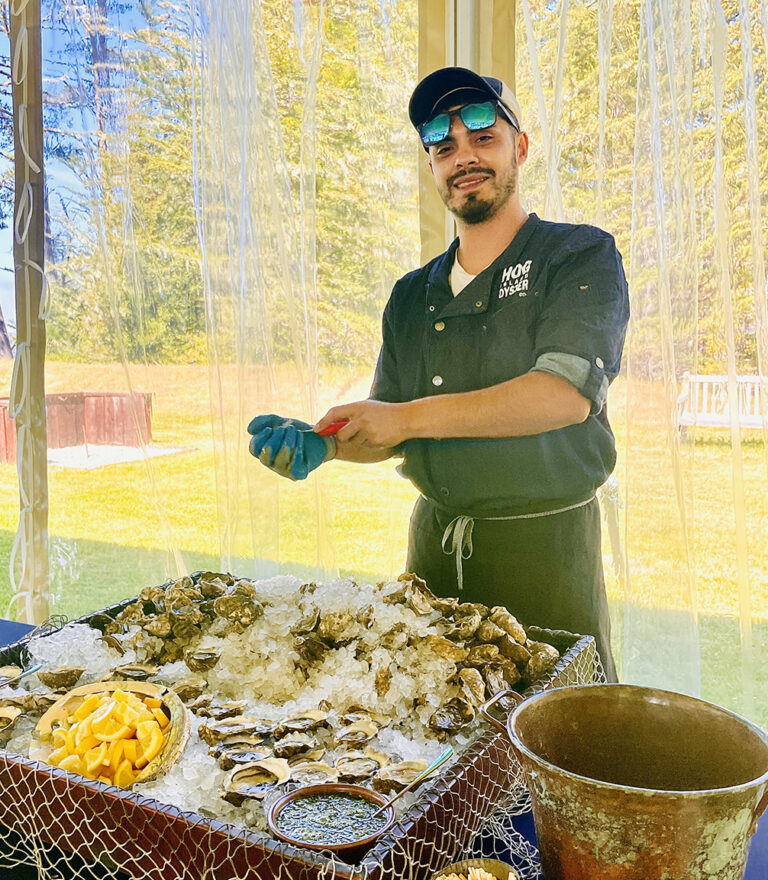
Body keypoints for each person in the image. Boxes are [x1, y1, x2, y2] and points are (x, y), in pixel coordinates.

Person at [248, 67, 629, 680]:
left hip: (545, 556)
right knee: (434, 735)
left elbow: (561, 396)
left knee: (552, 743)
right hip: (431, 552)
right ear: (432, 168)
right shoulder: (410, 295)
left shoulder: (577, 255)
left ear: (520, 147)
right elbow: (393, 425)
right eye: (443, 146)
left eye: (483, 136)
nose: (464, 157)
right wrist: (325, 443)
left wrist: (399, 418)